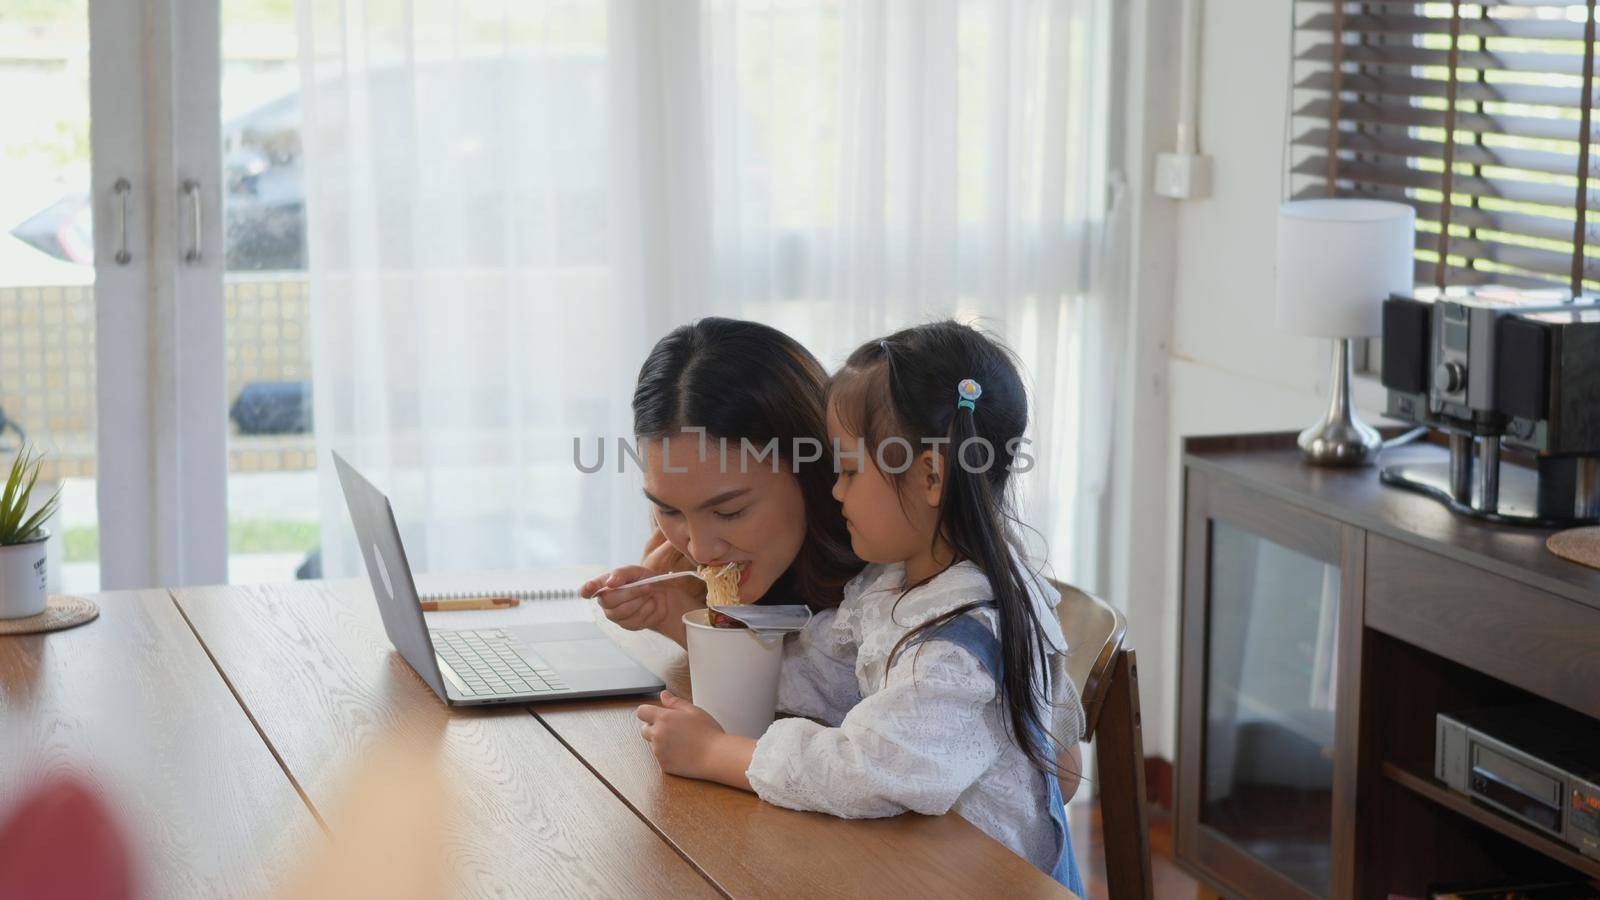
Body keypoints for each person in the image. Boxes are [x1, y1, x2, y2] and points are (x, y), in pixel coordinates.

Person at [634, 321, 1086, 891]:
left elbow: (872, 768)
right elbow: (827, 673)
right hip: (910, 865)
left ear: (929, 476)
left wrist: (719, 753)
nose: (836, 489)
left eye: (846, 470)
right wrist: (695, 625)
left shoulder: (957, 640)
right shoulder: (893, 582)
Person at [579, 317, 862, 646]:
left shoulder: (886, 591)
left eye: (730, 511)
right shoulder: (678, 569)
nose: (700, 551)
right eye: (669, 511)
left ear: (813, 472)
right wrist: (676, 615)